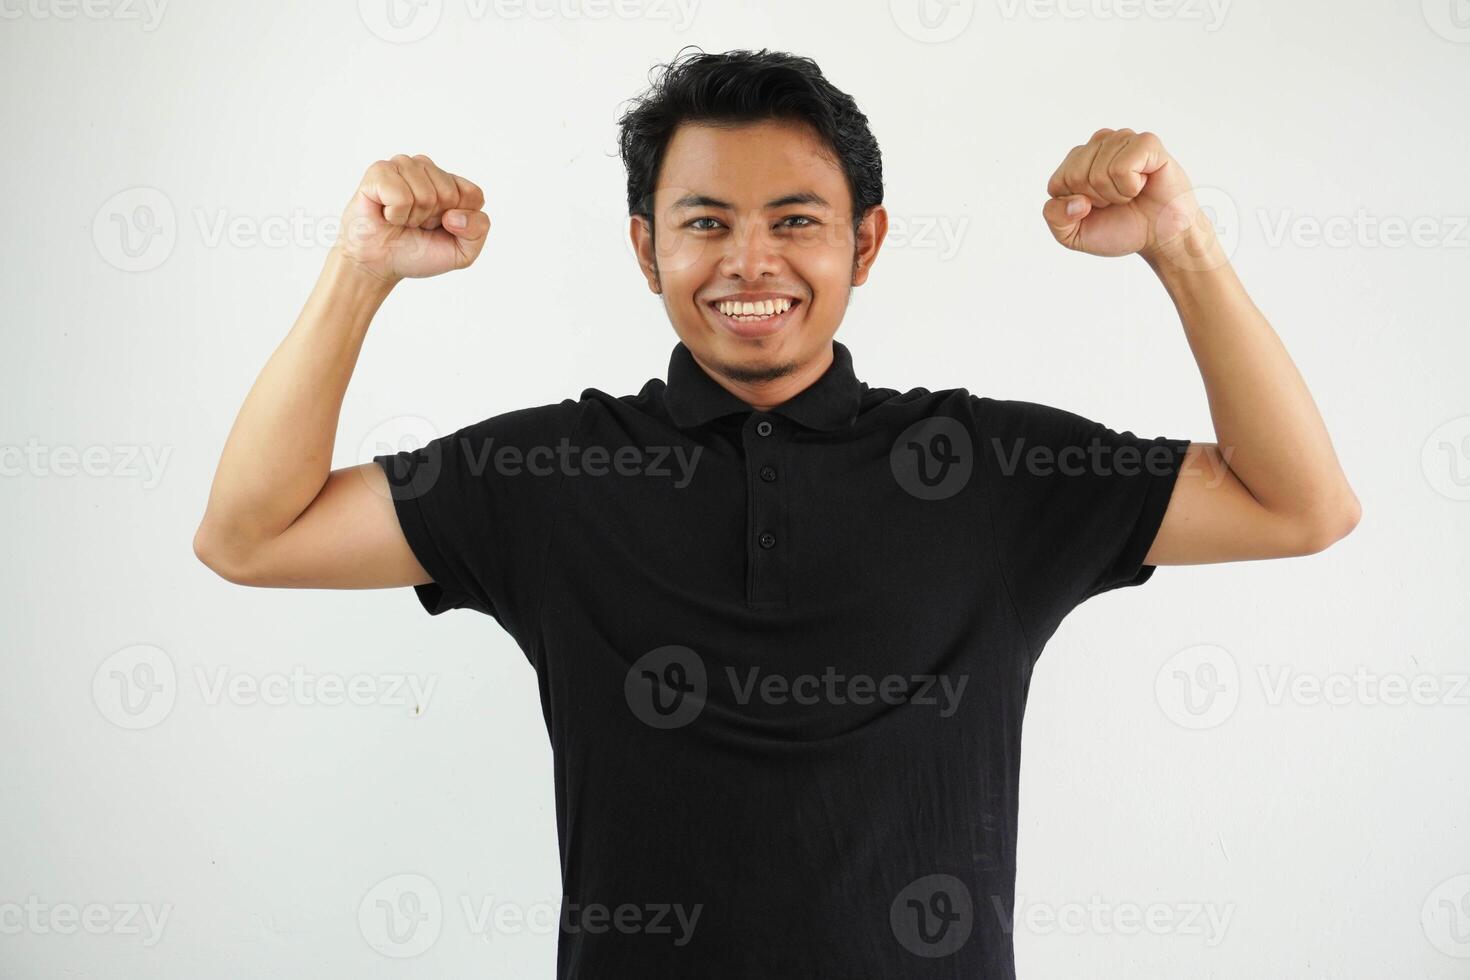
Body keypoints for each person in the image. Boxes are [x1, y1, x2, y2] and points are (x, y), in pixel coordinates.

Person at [193, 48, 1359, 980]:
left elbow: (1301, 504)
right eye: (704, 222)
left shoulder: (993, 468)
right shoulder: (548, 473)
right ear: (646, 250)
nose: (751, 258)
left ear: (868, 241)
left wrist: (1181, 244)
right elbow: (251, 535)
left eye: (796, 219)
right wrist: (360, 271)